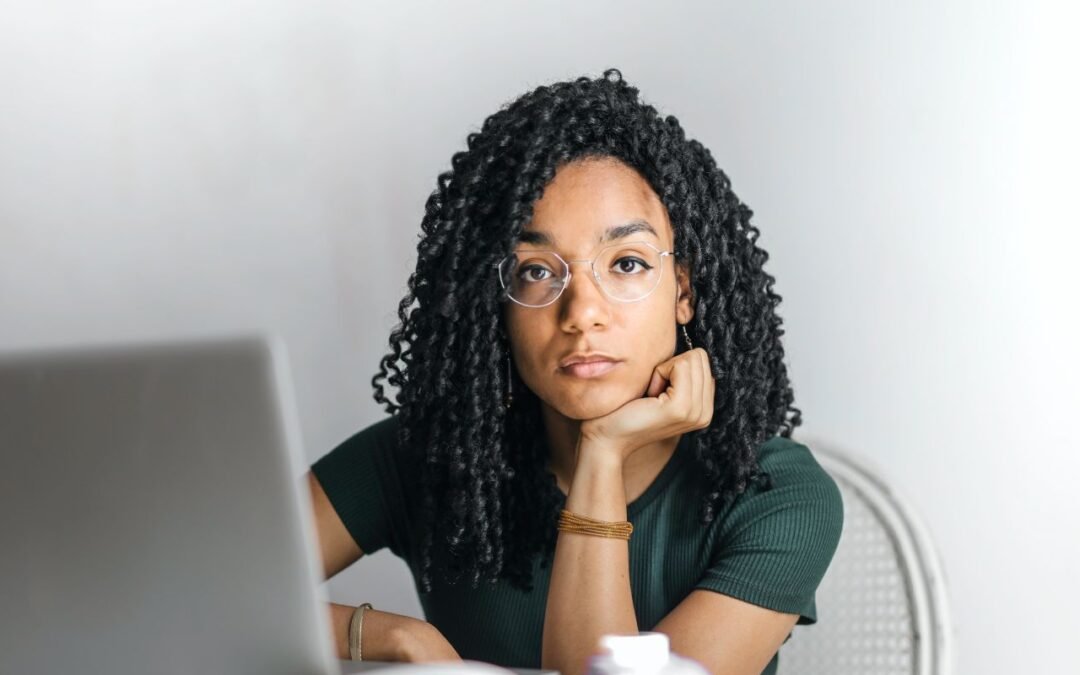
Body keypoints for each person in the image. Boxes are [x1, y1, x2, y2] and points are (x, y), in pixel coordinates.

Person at [305, 69, 843, 675]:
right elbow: (196, 585)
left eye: (628, 263)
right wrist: (397, 638)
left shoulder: (776, 495)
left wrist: (603, 452)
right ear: (497, 304)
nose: (582, 312)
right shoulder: (433, 456)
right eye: (536, 270)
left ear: (683, 291)